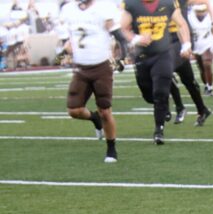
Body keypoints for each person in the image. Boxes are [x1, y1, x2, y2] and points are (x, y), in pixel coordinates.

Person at [59, 0, 127, 163]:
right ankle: (94, 119)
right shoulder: (68, 10)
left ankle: (111, 148)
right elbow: (68, 39)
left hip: (101, 66)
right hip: (81, 67)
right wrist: (61, 55)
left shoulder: (104, 7)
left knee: (105, 111)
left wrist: (122, 58)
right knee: (74, 110)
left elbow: (119, 37)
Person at [121, 0, 192, 144]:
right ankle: (163, 105)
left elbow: (181, 24)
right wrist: (135, 38)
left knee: (160, 92)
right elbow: (121, 28)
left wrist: (186, 44)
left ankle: (159, 130)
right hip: (142, 56)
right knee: (149, 96)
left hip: (163, 54)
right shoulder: (132, 4)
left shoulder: (168, 3)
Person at [166, 0, 212, 126]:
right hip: (164, 38)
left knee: (166, 70)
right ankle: (202, 109)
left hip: (180, 37)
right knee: (187, 78)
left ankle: (180, 107)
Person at [187, 1, 213, 96]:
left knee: (207, 63)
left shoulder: (210, 15)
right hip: (196, 42)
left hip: (207, 41)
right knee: (201, 66)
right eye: (199, 11)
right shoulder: (190, 16)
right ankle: (206, 85)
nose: (201, 13)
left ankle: (210, 87)